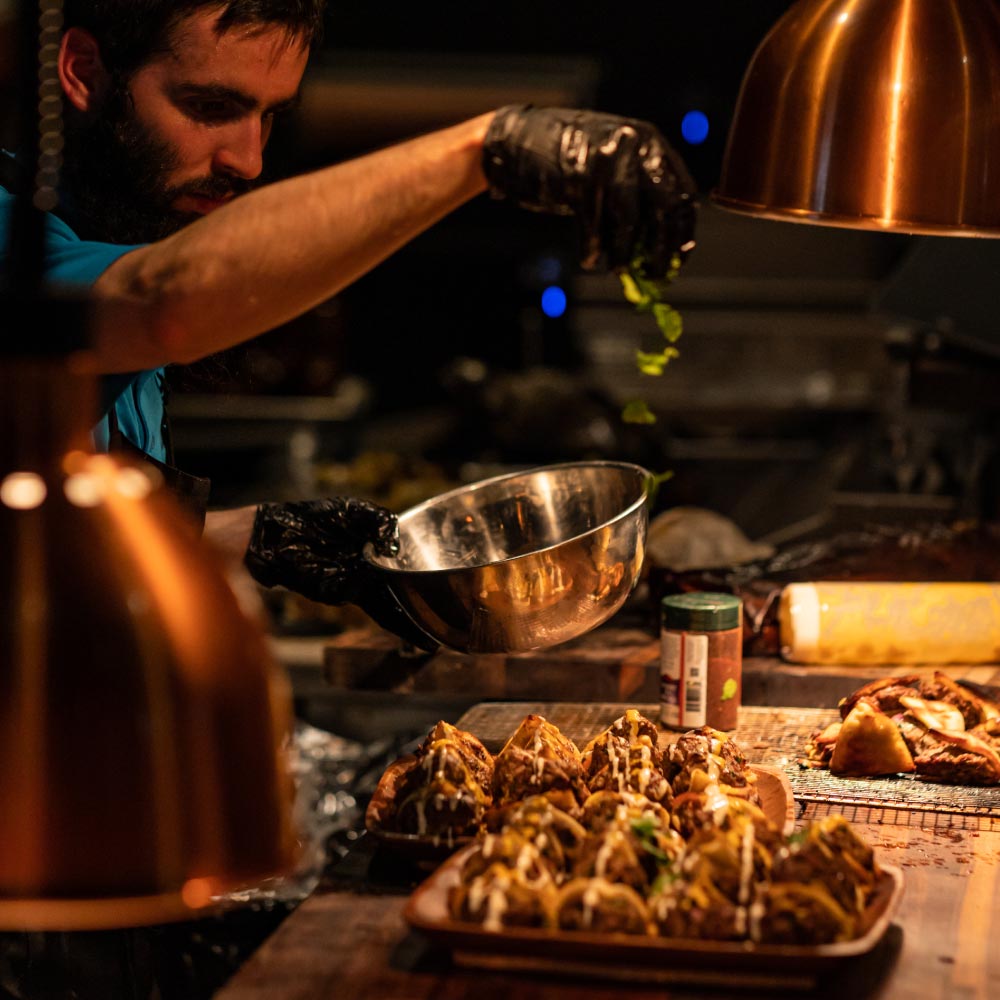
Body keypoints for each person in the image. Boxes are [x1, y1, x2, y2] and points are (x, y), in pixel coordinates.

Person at [0, 0, 698, 644]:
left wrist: (258, 538)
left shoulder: (114, 228)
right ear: (82, 71)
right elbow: (164, 301)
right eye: (211, 107)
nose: (249, 159)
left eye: (270, 117)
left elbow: (54, 544)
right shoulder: (17, 234)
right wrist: (486, 150)